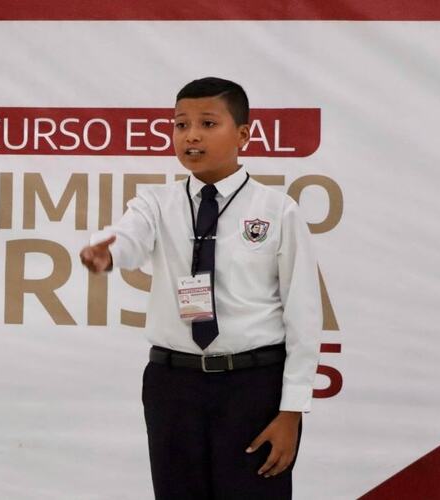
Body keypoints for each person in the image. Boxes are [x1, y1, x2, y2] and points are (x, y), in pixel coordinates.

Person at [79, 77, 321, 499]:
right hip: (173, 386)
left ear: (242, 135)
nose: (191, 135)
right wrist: (108, 252)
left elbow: (304, 314)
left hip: (252, 386)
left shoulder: (276, 210)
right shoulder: (156, 203)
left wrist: (292, 412)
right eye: (181, 124)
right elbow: (129, 236)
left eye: (208, 124)